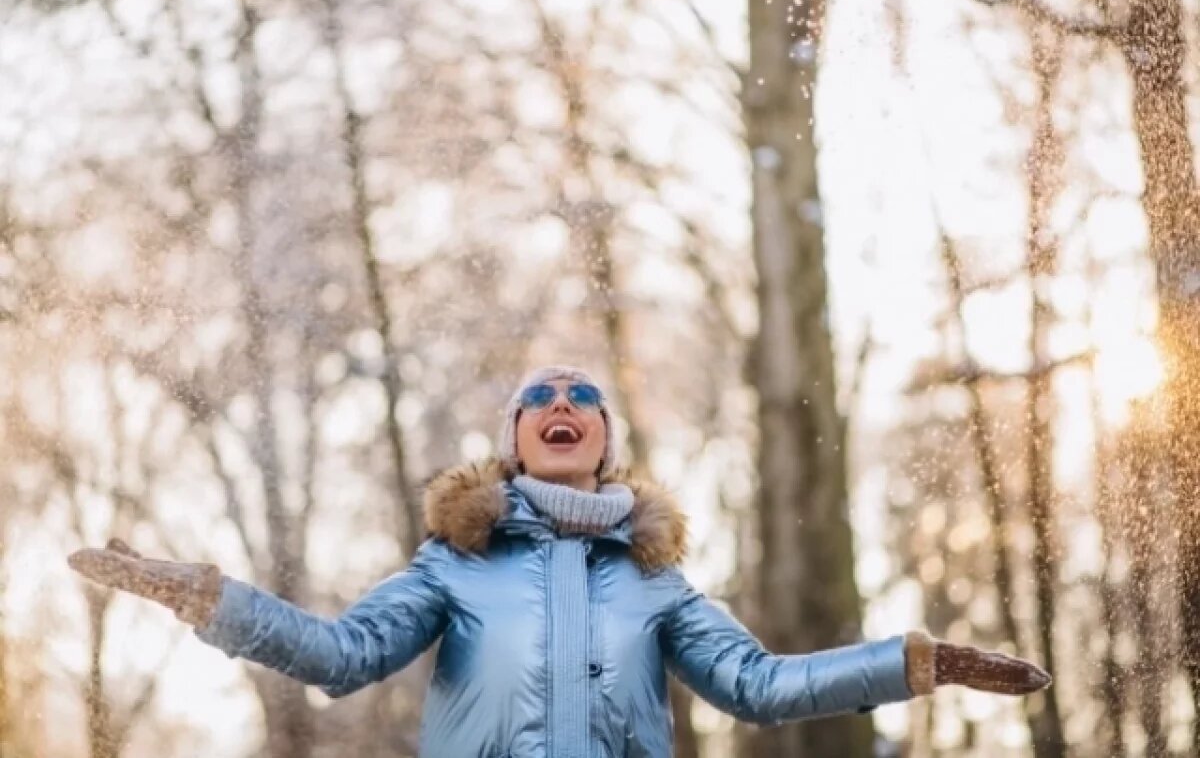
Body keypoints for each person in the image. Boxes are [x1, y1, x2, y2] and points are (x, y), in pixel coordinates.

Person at [69, 365, 1050, 757]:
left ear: (604, 437)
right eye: (539, 392)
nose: (561, 398)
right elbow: (337, 655)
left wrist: (920, 663)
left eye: (583, 391)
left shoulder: (656, 579)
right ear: (515, 436)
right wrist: (206, 597)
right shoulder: (454, 564)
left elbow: (758, 684)